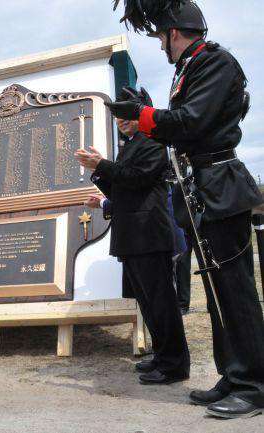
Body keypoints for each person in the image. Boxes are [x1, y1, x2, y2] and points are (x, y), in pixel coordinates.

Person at [107, 0, 264, 418]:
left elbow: (192, 121)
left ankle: (254, 386)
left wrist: (142, 117)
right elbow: (181, 120)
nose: (160, 44)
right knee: (216, 292)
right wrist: (147, 110)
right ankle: (234, 375)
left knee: (235, 290)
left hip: (220, 184)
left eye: (160, 36)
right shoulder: (190, 67)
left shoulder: (215, 62)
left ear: (174, 33)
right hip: (203, 186)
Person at [76, 92, 190, 386]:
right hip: (134, 236)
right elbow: (124, 192)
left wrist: (101, 165)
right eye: (117, 116)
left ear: (143, 114)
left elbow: (137, 179)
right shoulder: (132, 146)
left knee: (162, 302)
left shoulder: (154, 142)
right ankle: (163, 356)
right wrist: (100, 177)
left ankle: (175, 365)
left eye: (128, 114)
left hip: (149, 235)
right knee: (148, 302)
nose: (122, 121)